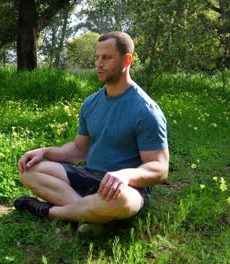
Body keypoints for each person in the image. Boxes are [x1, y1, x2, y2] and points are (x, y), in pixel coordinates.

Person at [13, 31, 169, 234]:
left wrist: (124, 175)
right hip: (90, 177)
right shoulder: (91, 103)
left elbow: (160, 169)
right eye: (97, 57)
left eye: (107, 57)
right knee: (30, 171)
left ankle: (49, 211)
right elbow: (79, 150)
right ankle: (95, 217)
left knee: (120, 201)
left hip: (127, 189)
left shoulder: (146, 111)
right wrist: (45, 151)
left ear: (127, 60)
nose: (99, 63)